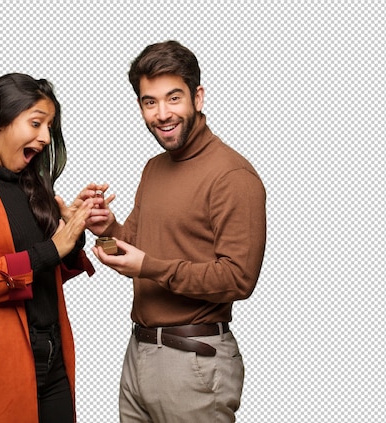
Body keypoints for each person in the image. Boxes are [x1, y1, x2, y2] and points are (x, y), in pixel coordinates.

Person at [87, 41, 267, 422]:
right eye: (149, 102)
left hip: (193, 360)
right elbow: (134, 245)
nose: (162, 113)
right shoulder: (153, 168)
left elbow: (239, 278)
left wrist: (149, 266)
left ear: (197, 97)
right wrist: (106, 227)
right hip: (139, 354)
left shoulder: (232, 175)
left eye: (173, 98)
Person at [0, 73, 104, 423]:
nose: (44, 137)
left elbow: (43, 272)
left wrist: (71, 230)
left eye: (49, 126)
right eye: (36, 123)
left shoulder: (29, 182)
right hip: (2, 362)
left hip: (54, 355)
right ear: (0, 119)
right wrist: (51, 249)